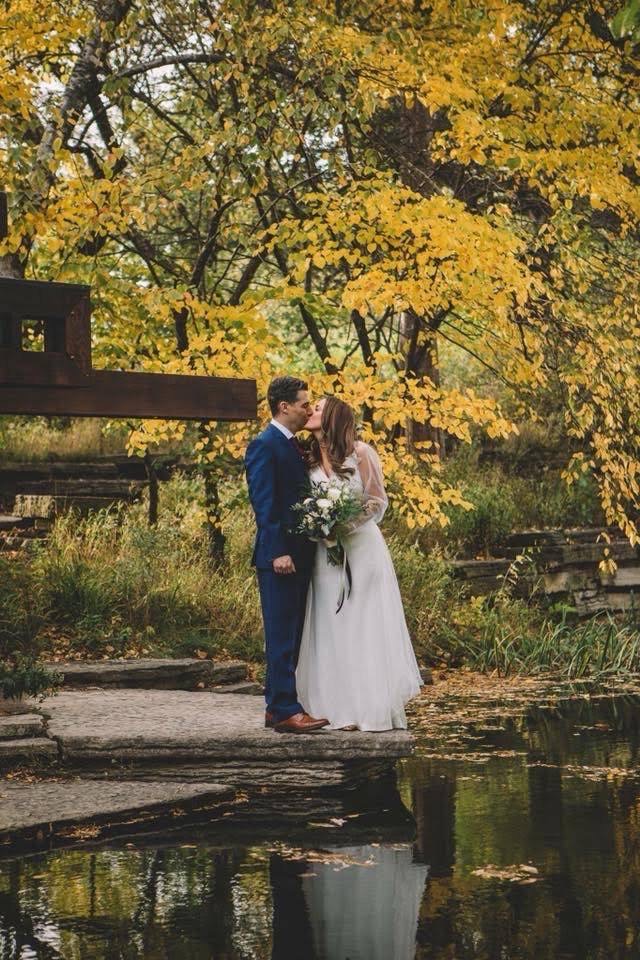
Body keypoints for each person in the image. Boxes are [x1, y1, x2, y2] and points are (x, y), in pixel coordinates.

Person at [296, 396, 423, 731]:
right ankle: (334, 709)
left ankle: (368, 709)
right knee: (331, 625)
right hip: (326, 555)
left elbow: (377, 501)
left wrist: (342, 524)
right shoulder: (306, 456)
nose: (311, 411)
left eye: (319, 408)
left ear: (335, 417)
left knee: (362, 624)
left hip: (362, 550)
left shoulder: (361, 453)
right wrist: (322, 528)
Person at [244, 376, 329, 734]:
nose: (309, 409)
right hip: (280, 559)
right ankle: (285, 710)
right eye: (304, 404)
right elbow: (264, 504)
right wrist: (278, 551)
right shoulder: (264, 445)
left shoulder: (293, 445)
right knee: (281, 634)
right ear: (284, 407)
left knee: (291, 634)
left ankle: (274, 705)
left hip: (299, 555)